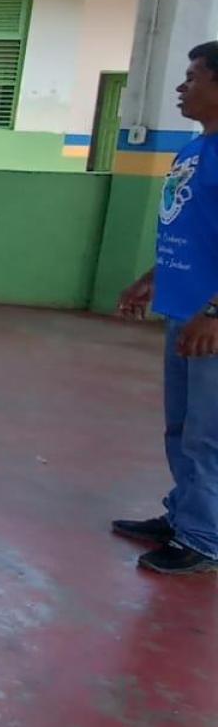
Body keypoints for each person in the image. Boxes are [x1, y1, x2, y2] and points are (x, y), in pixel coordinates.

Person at [115, 41, 218, 576]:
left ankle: (204, 539)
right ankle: (183, 516)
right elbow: (190, 226)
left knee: (208, 433)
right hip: (183, 308)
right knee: (180, 426)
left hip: (211, 321)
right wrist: (150, 279)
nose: (182, 87)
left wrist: (215, 312)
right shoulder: (192, 150)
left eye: (193, 77)